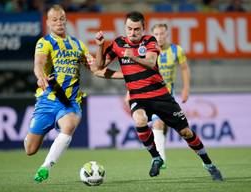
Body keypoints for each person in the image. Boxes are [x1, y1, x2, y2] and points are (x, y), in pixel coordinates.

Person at [94, 11, 223, 180]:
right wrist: (99, 46)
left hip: (160, 95)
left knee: (186, 133)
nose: (133, 33)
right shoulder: (118, 43)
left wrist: (133, 57)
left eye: (137, 29)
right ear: (125, 27)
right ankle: (156, 157)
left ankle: (209, 164)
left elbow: (150, 62)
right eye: (129, 29)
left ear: (143, 28)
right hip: (137, 96)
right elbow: (99, 66)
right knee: (139, 120)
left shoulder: (149, 41)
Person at [24, 4, 123, 183]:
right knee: (30, 149)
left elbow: (97, 69)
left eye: (61, 19)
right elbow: (38, 63)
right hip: (48, 100)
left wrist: (125, 74)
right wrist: (40, 77)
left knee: (68, 126)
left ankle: (46, 167)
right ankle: (33, 133)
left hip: (70, 101)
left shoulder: (77, 44)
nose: (59, 22)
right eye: (54, 19)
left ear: (66, 20)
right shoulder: (44, 42)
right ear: (48, 22)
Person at [150, 23, 190, 169]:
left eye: (162, 34)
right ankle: (160, 158)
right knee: (158, 123)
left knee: (163, 125)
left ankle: (160, 151)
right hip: (151, 94)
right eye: (156, 34)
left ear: (166, 34)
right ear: (152, 35)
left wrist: (186, 88)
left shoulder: (176, 50)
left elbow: (184, 69)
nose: (159, 37)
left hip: (168, 94)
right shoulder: (148, 51)